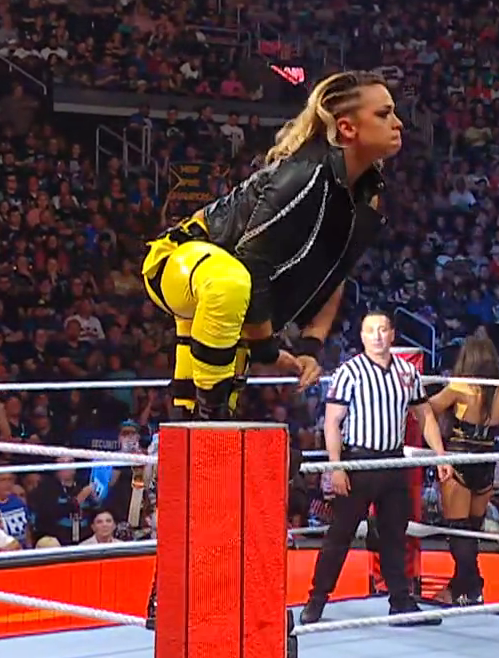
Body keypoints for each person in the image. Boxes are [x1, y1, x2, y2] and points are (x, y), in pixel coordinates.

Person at [141, 70, 403, 419]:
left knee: (193, 420)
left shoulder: (365, 194)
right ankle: (211, 415)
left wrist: (310, 346)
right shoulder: (306, 173)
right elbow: (252, 261)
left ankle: (205, 419)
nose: (398, 123)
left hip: (232, 301)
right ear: (347, 128)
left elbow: (335, 271)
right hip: (182, 260)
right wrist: (266, 349)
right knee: (230, 283)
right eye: (384, 114)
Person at [300, 312, 447, 626]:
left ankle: (401, 601)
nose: (377, 336)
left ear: (392, 334)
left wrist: (441, 456)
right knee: (340, 534)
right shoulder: (349, 372)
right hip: (359, 462)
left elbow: (425, 416)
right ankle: (316, 600)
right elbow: (332, 422)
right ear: (362, 336)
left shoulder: (408, 372)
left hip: (393, 462)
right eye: (370, 330)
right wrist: (336, 467)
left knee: (395, 534)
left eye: (383, 330)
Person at [425, 334, 499, 605]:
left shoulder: (461, 386)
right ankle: (458, 590)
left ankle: (473, 586)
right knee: (470, 532)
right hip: (486, 465)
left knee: (460, 532)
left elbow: (427, 410)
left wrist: (414, 396)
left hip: (459, 461)